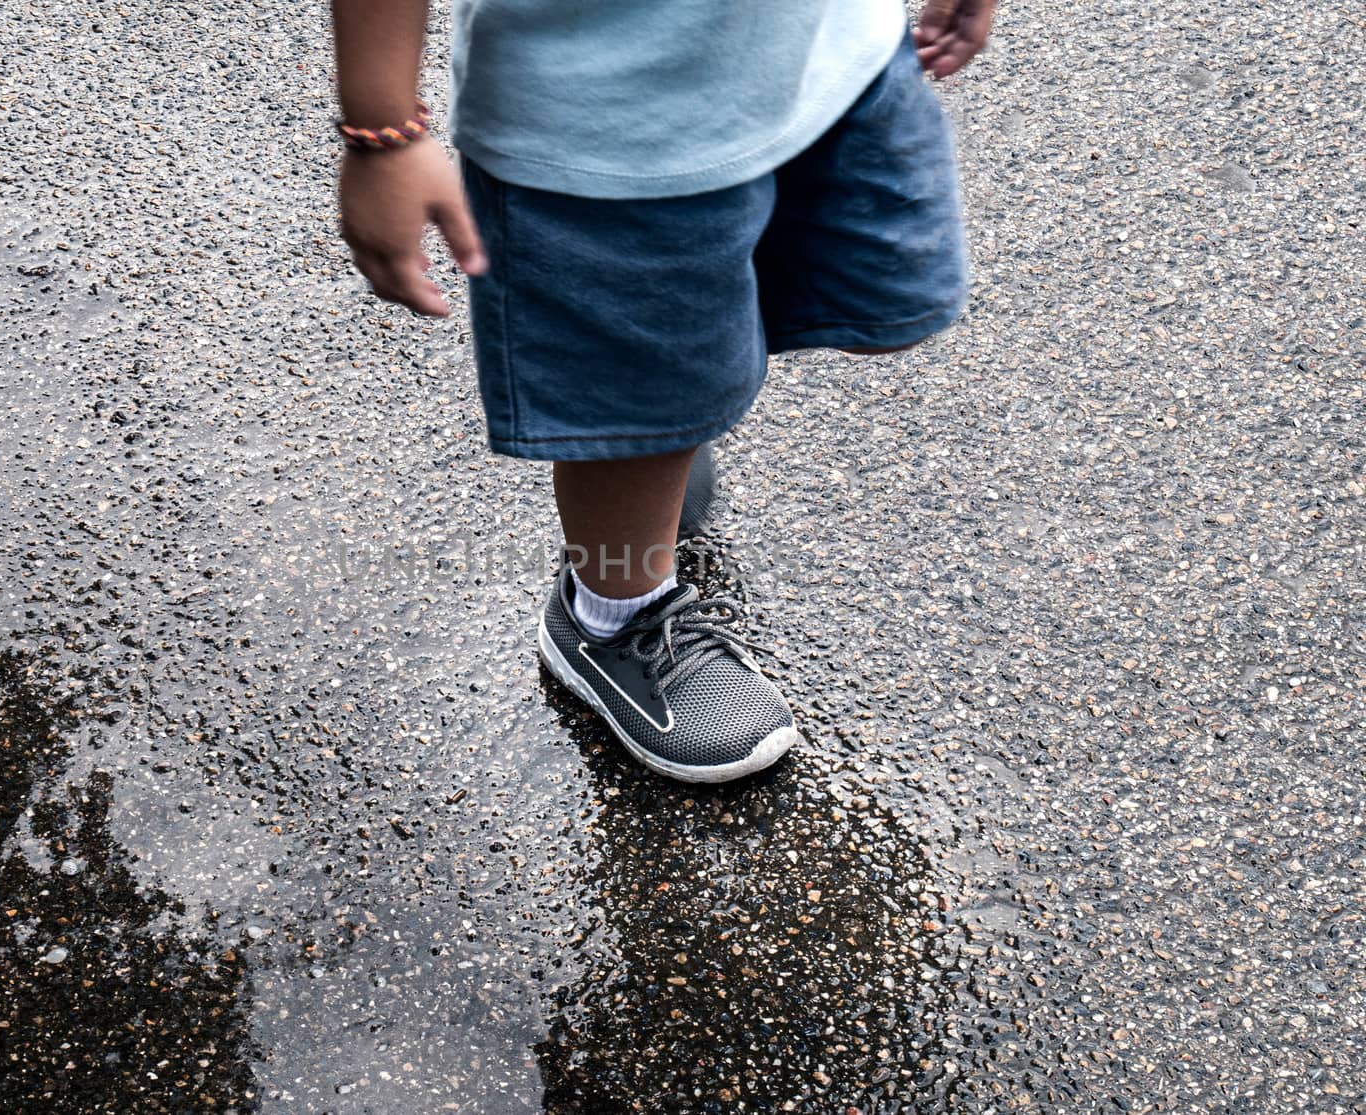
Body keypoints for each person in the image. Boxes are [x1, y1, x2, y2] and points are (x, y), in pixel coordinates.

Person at [331, 0, 994, 783]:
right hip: (614, 119)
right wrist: (382, 132)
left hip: (835, 50)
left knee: (889, 294)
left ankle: (661, 422)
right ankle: (609, 614)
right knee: (637, 401)